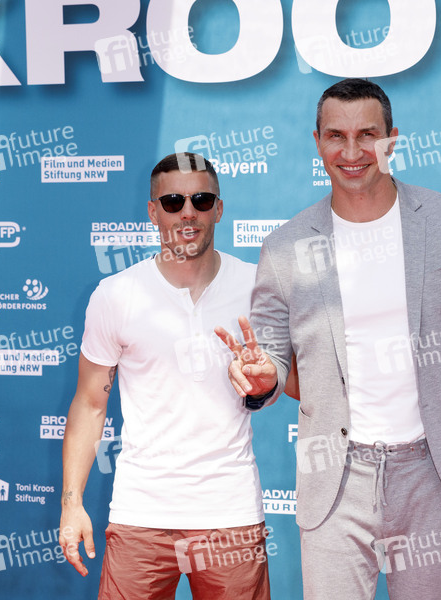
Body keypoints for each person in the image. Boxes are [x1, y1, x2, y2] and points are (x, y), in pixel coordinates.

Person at [215, 78, 441, 599]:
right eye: (336, 136)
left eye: (367, 135)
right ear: (317, 143)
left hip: (435, 475)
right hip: (335, 481)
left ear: (392, 140)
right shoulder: (286, 246)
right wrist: (263, 377)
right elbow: (271, 360)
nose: (352, 152)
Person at [59, 152, 271, 600]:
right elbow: (90, 404)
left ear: (219, 208)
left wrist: (262, 388)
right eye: (173, 202)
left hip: (230, 513)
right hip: (141, 513)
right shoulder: (116, 295)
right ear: (153, 211)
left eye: (201, 200)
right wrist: (72, 504)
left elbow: (284, 384)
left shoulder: (257, 286)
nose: (187, 212)